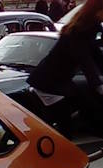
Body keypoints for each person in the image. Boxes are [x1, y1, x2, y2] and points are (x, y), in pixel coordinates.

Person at [27, 0, 103, 136]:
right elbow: (86, 63)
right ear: (96, 11)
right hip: (48, 85)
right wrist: (98, 86)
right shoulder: (77, 33)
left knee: (87, 105)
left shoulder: (90, 29)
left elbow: (98, 57)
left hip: (59, 81)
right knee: (66, 127)